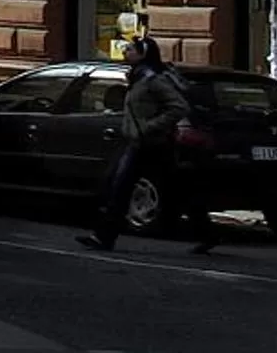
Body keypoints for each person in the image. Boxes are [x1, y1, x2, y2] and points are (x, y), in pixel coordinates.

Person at [82, 36, 212, 252]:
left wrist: (151, 126)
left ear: (143, 54)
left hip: (154, 143)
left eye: (131, 49)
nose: (125, 52)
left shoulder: (153, 79)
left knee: (125, 187)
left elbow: (178, 107)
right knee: (122, 186)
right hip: (139, 142)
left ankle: (104, 237)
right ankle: (104, 237)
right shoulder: (137, 77)